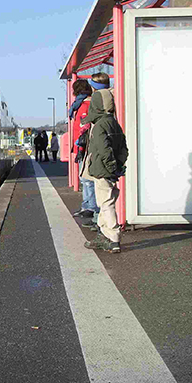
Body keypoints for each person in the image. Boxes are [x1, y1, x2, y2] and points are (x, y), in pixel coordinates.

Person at [79, 72, 128, 253]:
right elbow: (123, 148)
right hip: (110, 170)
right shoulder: (113, 123)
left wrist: (109, 167)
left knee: (106, 203)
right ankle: (102, 234)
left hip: (102, 170)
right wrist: (119, 166)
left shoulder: (99, 125)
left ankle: (113, 238)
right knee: (105, 201)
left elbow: (102, 149)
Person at [69, 80, 100, 224]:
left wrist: (80, 145)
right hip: (81, 146)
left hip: (85, 147)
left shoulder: (85, 105)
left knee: (87, 179)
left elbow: (84, 127)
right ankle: (87, 205)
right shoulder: (81, 105)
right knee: (84, 178)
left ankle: (91, 207)